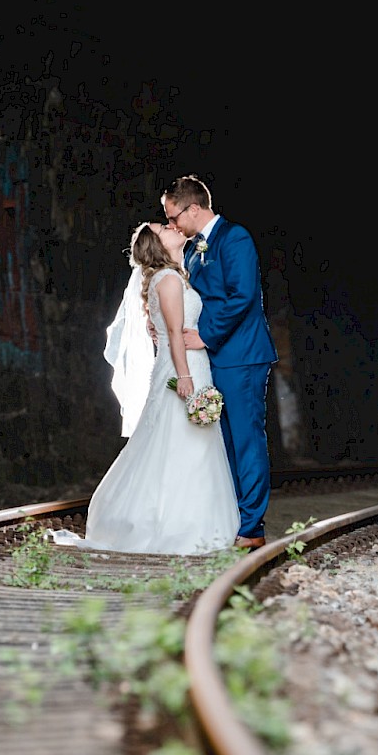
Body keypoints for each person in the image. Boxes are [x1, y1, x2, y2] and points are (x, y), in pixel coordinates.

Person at [57, 222, 240, 555]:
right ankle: (173, 527)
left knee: (189, 443)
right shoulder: (168, 280)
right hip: (183, 370)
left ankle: (192, 522)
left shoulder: (175, 275)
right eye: (164, 227)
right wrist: (185, 378)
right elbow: (173, 333)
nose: (172, 226)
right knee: (178, 442)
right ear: (157, 243)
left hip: (192, 365)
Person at [162, 175, 277, 549]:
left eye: (174, 216)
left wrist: (204, 335)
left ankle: (252, 528)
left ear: (194, 208)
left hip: (241, 356)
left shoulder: (235, 238)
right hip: (212, 360)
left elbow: (241, 295)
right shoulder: (193, 249)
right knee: (222, 441)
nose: (173, 224)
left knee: (245, 440)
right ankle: (234, 519)